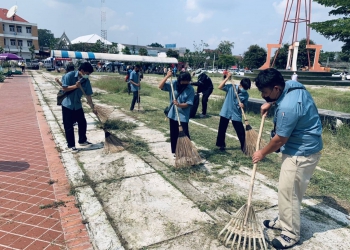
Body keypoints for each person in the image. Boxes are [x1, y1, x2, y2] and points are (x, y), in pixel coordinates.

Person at [252, 68, 323, 249]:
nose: (263, 96)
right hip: (304, 147)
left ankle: (290, 233)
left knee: (289, 192)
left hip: (301, 153)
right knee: (287, 190)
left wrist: (261, 153)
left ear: (276, 88)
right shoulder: (292, 85)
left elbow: (279, 140)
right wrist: (272, 103)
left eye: (265, 93)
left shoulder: (287, 108)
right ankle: (284, 220)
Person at [61, 62, 96, 153]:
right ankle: (71, 145)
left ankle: (82, 140)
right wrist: (75, 86)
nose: (88, 76)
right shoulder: (69, 75)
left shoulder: (86, 80)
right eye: (87, 73)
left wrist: (92, 107)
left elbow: (88, 95)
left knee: (82, 122)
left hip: (77, 105)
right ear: (82, 71)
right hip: (67, 104)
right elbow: (64, 88)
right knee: (68, 126)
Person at [159, 71, 195, 156]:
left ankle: (187, 151)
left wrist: (179, 105)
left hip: (183, 115)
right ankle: (176, 151)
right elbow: (160, 86)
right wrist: (167, 76)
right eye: (183, 81)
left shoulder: (190, 89)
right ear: (179, 80)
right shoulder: (173, 83)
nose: (185, 83)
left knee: (185, 133)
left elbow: (189, 103)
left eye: (187, 81)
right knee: (174, 133)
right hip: (173, 113)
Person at [216, 72, 251, 151]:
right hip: (226, 111)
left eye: (246, 89)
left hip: (236, 113)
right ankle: (221, 144)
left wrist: (243, 105)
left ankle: (244, 146)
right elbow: (220, 87)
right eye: (244, 88)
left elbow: (245, 104)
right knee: (222, 129)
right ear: (240, 85)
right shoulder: (232, 87)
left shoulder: (246, 95)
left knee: (240, 131)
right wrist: (227, 78)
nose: (244, 90)